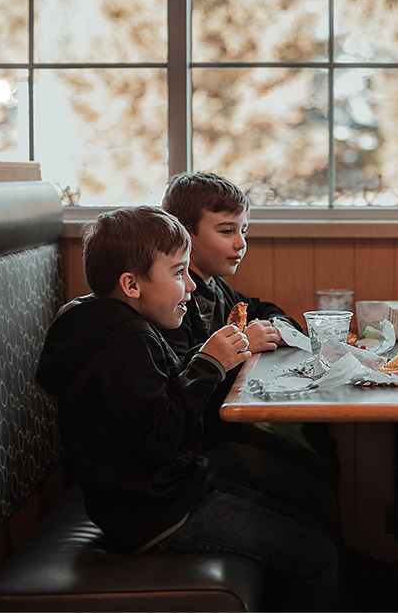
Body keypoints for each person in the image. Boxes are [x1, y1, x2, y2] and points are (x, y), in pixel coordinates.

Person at [36, 206, 339, 610]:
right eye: (179, 274)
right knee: (315, 555)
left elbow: (161, 412)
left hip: (173, 490)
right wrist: (209, 365)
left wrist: (205, 362)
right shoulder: (126, 341)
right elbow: (162, 441)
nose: (191, 287)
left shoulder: (116, 327)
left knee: (311, 521)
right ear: (131, 285)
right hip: (154, 515)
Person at [159, 173, 342, 538]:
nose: (241, 243)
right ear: (184, 234)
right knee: (317, 493)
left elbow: (261, 307)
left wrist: (274, 325)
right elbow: (180, 381)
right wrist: (242, 344)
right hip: (202, 443)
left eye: (244, 231)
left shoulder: (214, 284)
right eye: (227, 231)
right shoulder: (176, 300)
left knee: (325, 466)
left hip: (222, 430)